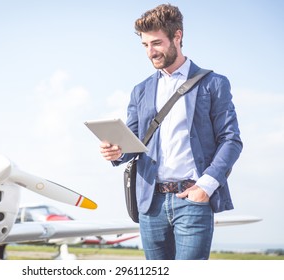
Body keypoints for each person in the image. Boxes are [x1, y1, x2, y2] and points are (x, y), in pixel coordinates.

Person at [100, 4, 242, 260]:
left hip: (192, 199)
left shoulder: (214, 84)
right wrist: (115, 152)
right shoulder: (140, 90)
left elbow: (231, 140)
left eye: (156, 43)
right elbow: (134, 143)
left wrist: (205, 187)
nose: (150, 52)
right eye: (145, 45)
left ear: (177, 36)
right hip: (150, 204)